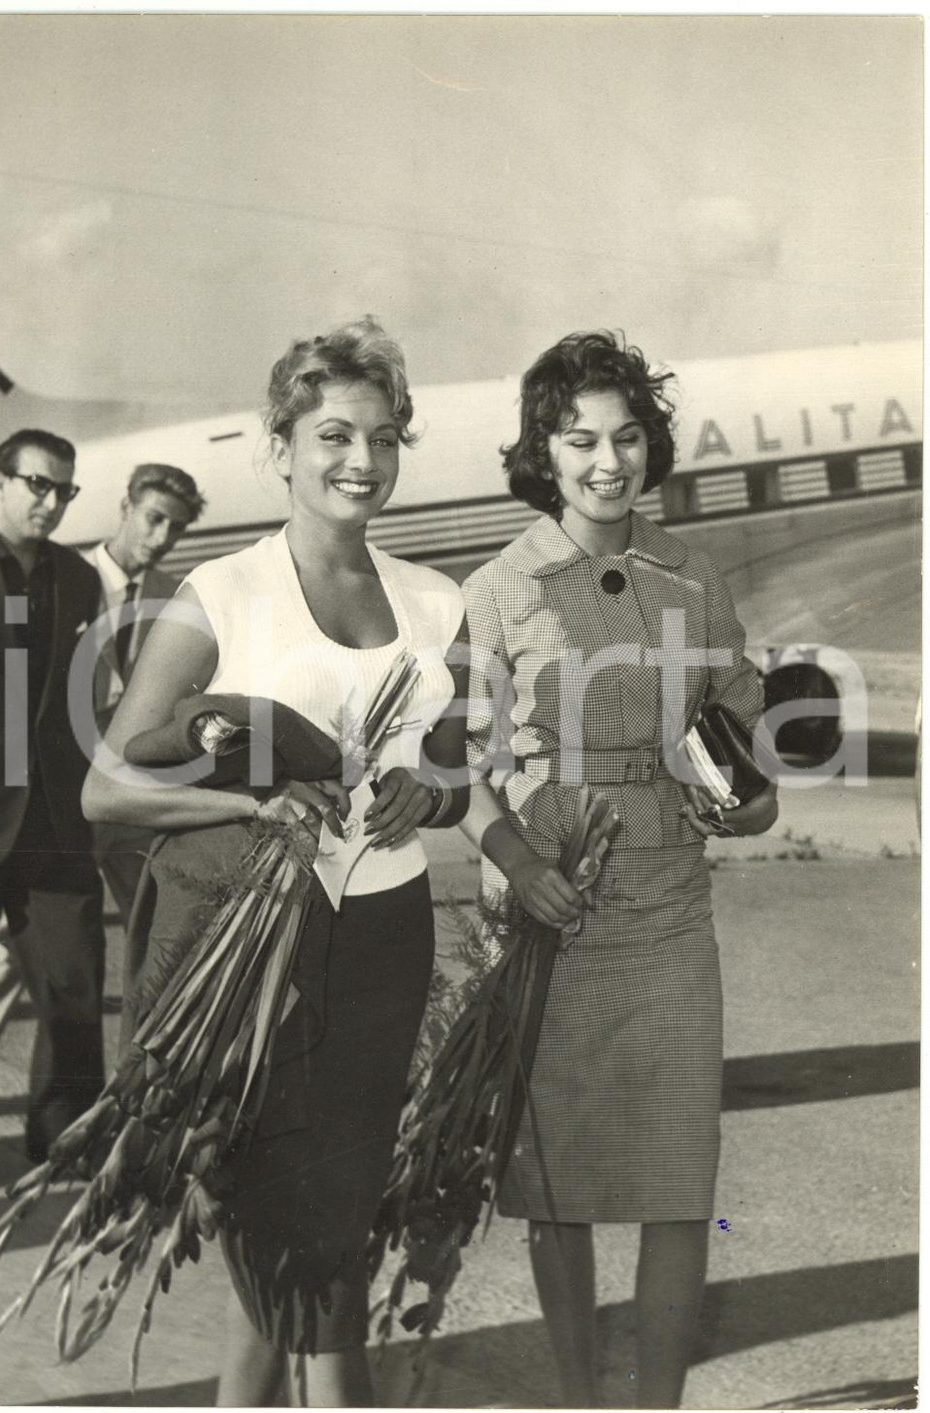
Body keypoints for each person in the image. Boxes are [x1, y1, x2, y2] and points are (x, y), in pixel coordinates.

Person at [81, 318, 469, 1407]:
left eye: (384, 438)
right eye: (334, 434)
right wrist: (253, 804)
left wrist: (428, 794)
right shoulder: (225, 592)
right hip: (257, 946)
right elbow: (109, 787)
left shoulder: (436, 600)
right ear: (282, 447)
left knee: (326, 1211)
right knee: (290, 1217)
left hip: (385, 936)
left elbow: (454, 771)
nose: (362, 460)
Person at [460, 331, 779, 1409]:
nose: (609, 461)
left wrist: (751, 800)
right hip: (552, 903)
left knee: (679, 1178)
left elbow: (740, 734)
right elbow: (461, 769)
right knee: (560, 1182)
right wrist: (516, 861)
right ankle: (577, 1398)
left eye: (628, 437)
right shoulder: (499, 587)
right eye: (580, 439)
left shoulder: (695, 575)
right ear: (542, 453)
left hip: (672, 905)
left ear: (651, 447)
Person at [0, 428, 107, 1185]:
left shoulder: (79, 579)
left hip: (53, 820)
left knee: (72, 981)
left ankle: (60, 1140)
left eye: (64, 489)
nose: (52, 501)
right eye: (38, 484)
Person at [83, 463, 205, 932]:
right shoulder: (64, 579)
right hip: (57, 786)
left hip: (128, 787)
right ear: (125, 507)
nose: (162, 538)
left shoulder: (174, 595)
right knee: (45, 942)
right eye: (154, 519)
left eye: (176, 527)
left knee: (151, 924)